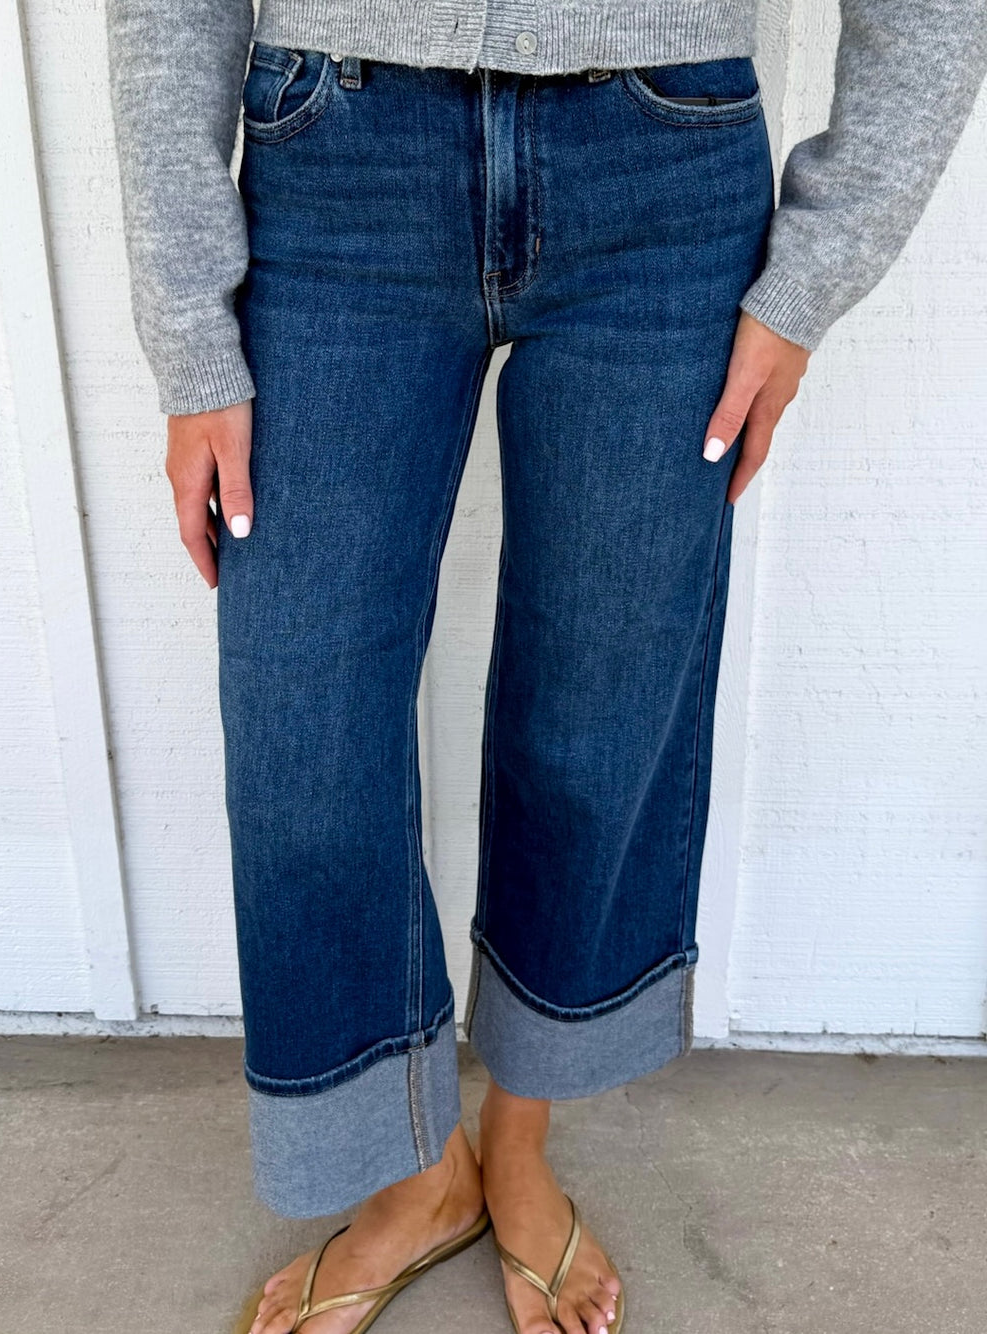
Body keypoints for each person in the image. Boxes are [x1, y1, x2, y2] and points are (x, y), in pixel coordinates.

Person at [104, 3, 987, 1333]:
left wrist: (813, 274)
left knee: (599, 710)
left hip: (662, 156)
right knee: (302, 728)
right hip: (338, 153)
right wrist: (189, 338)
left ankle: (517, 1143)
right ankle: (418, 1181)